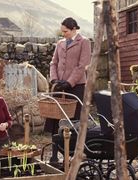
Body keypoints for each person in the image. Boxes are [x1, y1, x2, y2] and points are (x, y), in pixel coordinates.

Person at [44, 17, 91, 163]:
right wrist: (54, 79)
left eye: (65, 31)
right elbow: (54, 62)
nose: (63, 34)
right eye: (62, 31)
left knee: (73, 121)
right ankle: (54, 155)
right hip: (59, 86)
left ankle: (71, 156)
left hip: (76, 87)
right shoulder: (60, 43)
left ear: (73, 29)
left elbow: (82, 65)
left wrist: (69, 83)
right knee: (55, 120)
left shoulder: (84, 42)